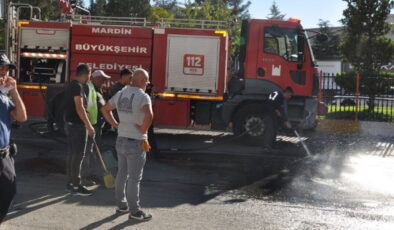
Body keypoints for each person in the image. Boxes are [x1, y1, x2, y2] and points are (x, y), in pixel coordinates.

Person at [101, 68, 153, 221]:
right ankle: (135, 212)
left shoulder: (121, 93)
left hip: (121, 139)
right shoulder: (143, 96)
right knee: (134, 178)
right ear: (142, 81)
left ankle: (121, 205)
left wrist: (115, 124)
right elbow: (149, 114)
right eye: (147, 82)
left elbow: (105, 109)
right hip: (136, 141)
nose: (147, 85)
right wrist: (143, 130)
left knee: (122, 174)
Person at [0, 53, 27, 224]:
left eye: (6, 69)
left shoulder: (4, 96)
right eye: (0, 68)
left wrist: (14, 91)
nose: (4, 72)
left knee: (8, 193)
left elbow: (22, 116)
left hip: (4, 157)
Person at [64, 64, 95, 196]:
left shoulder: (71, 85)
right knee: (78, 156)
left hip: (71, 125)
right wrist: (89, 125)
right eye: (89, 74)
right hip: (78, 126)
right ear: (86, 74)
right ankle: (76, 186)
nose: (89, 77)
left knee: (72, 155)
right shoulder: (78, 86)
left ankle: (71, 183)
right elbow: (80, 107)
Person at [82, 70, 111, 185]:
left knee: (94, 151)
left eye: (104, 80)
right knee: (87, 152)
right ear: (96, 78)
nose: (104, 81)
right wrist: (88, 125)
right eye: (102, 79)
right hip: (91, 126)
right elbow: (83, 107)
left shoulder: (97, 89)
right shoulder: (88, 88)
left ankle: (92, 174)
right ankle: (84, 177)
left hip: (97, 126)